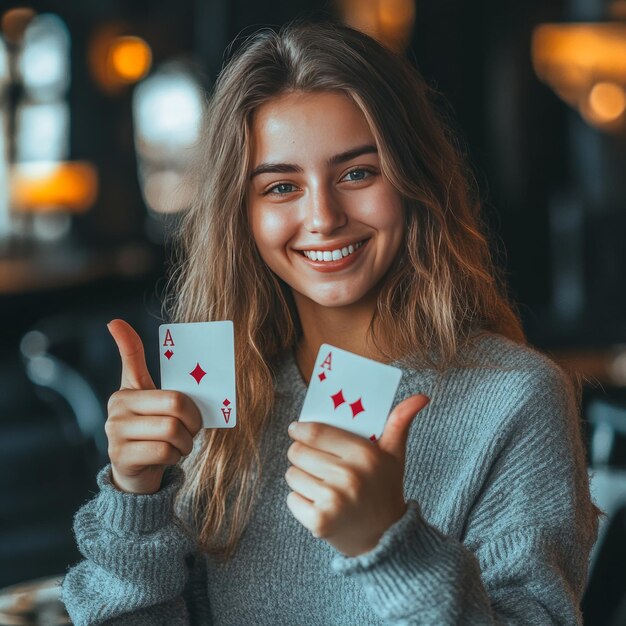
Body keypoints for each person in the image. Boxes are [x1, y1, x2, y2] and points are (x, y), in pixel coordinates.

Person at [61, 19, 600, 625]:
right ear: (242, 216)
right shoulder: (214, 393)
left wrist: (388, 542)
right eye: (282, 186)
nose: (322, 217)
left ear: (413, 180)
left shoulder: (516, 398)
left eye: (357, 173)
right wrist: (136, 498)